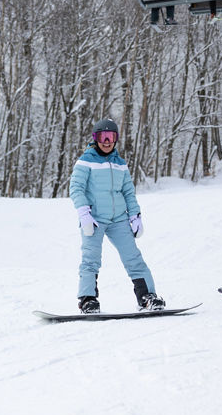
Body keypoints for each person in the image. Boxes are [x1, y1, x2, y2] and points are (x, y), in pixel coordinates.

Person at [69, 118, 164, 313]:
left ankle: (147, 297)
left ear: (116, 139)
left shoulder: (120, 164)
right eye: (102, 137)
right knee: (90, 259)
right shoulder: (86, 161)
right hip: (94, 218)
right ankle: (88, 299)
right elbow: (76, 188)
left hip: (119, 218)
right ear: (95, 139)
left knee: (134, 258)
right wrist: (84, 213)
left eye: (111, 136)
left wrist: (135, 215)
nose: (107, 141)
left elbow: (128, 192)